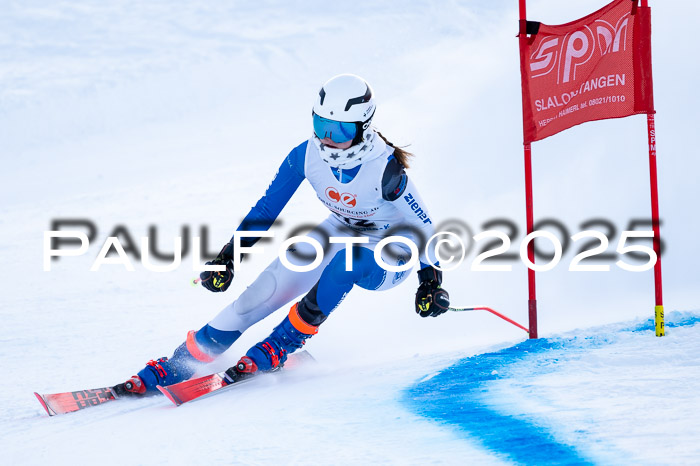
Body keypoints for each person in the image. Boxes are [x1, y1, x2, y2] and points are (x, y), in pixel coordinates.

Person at [118, 74, 451, 395]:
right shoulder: (305, 156)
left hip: (391, 248)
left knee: (348, 262)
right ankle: (182, 362)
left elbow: (422, 224)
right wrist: (228, 256)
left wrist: (430, 280)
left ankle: (281, 344)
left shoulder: (384, 168)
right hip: (342, 229)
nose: (328, 137)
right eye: (322, 125)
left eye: (340, 129)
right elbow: (266, 211)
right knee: (260, 294)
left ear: (363, 128)